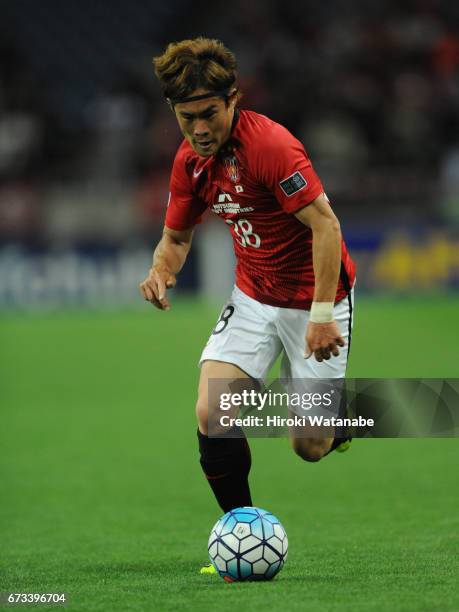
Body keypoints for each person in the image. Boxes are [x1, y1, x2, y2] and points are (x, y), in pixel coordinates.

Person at [139, 37, 356, 574]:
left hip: (315, 301)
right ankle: (240, 531)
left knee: (309, 446)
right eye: (187, 118)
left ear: (233, 98)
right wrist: (161, 271)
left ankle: (340, 423)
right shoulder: (190, 160)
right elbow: (176, 238)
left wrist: (324, 315)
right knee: (213, 411)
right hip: (254, 296)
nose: (200, 129)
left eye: (209, 114)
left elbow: (326, 226)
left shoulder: (272, 148)